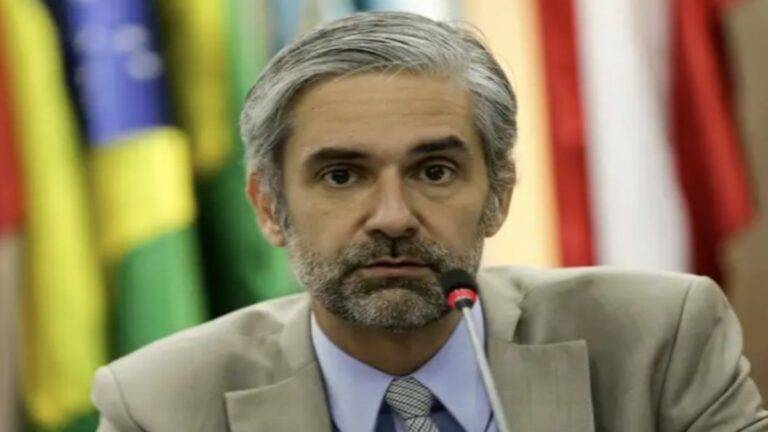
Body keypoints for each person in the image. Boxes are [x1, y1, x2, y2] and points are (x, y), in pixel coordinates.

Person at [91, 11, 767, 431]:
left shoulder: (657, 341)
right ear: (270, 207)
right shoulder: (161, 403)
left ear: (499, 193)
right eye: (342, 176)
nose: (392, 218)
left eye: (435, 172)